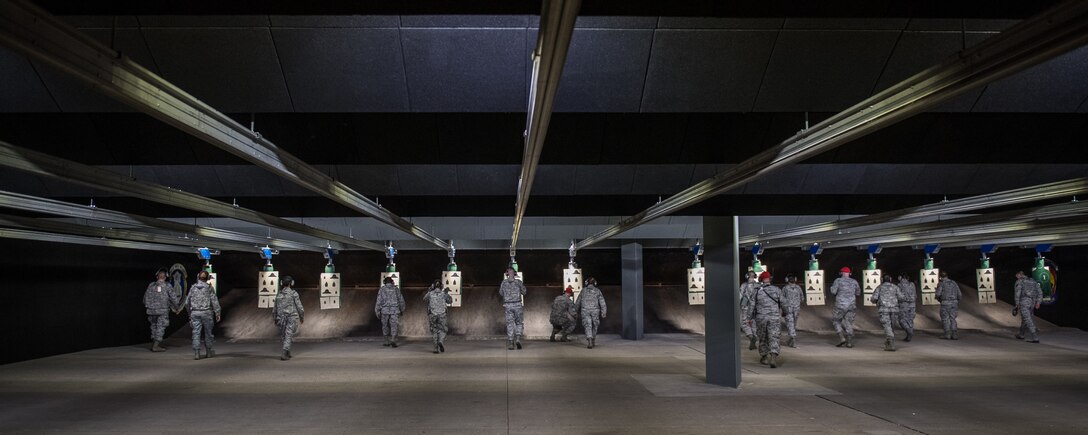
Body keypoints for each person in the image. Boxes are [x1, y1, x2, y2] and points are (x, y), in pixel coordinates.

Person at [181, 269, 221, 360]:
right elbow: (214, 301)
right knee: (208, 333)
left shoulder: (193, 287)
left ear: (198, 277)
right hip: (207, 313)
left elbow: (187, 303)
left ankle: (197, 353)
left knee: (196, 333)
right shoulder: (209, 288)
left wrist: (190, 313)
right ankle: (208, 352)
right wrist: (217, 312)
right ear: (207, 278)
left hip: (195, 312)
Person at [750, 271, 785, 368]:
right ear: (770, 279)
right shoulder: (777, 290)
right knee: (774, 336)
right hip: (774, 317)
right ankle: (773, 356)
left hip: (761, 318)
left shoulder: (757, 290)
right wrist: (785, 312)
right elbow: (784, 303)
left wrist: (749, 317)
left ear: (761, 280)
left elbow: (752, 306)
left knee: (763, 337)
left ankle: (764, 357)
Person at [143, 268, 181, 352]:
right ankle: (156, 346)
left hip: (151, 311)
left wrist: (148, 306)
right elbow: (173, 298)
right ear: (165, 277)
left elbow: (145, 298)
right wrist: (177, 307)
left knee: (153, 326)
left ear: (157, 276)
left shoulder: (151, 285)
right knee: (160, 327)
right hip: (162, 311)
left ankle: (154, 344)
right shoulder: (167, 286)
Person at [273, 275, 304, 360]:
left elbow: (274, 308)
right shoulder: (294, 293)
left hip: (281, 317)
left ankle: (287, 352)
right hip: (291, 317)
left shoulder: (278, 294)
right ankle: (284, 352)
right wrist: (301, 316)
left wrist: (275, 318)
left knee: (284, 335)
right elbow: (299, 307)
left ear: (282, 283)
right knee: (289, 334)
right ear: (292, 283)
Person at [829, 266, 861, 348]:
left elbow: (833, 292)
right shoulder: (854, 282)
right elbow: (858, 293)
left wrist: (831, 288)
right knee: (848, 322)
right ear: (850, 273)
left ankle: (842, 338)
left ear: (841, 273)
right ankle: (849, 342)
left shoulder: (838, 281)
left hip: (840, 305)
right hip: (851, 306)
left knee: (836, 320)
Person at [870, 274, 901, 351]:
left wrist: (876, 302)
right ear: (890, 279)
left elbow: (874, 298)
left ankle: (890, 342)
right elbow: (901, 297)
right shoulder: (895, 287)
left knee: (887, 325)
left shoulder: (879, 287)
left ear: (882, 279)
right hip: (894, 309)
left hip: (884, 309)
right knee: (892, 326)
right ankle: (890, 342)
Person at [499, 267, 527, 350]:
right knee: (519, 323)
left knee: (510, 324)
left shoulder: (504, 282)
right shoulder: (518, 282)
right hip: (517, 305)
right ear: (514, 273)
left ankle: (511, 342)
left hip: (508, 306)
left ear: (507, 274)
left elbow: (501, 293)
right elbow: (524, 292)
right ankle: (518, 339)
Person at [574, 278, 607, 349]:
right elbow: (602, 302)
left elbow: (578, 301)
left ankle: (589, 340)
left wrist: (575, 311)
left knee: (587, 325)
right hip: (595, 311)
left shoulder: (583, 291)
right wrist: (603, 312)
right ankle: (593, 339)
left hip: (585, 310)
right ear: (595, 283)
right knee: (595, 325)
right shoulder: (597, 291)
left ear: (586, 283)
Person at [423, 279, 453, 353]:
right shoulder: (443, 294)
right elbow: (450, 301)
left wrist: (429, 291)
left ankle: (435, 349)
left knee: (434, 331)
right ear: (442, 286)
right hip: (442, 315)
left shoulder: (430, 294)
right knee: (443, 330)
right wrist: (446, 293)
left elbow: (424, 299)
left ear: (433, 286)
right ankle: (441, 341)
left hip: (432, 315)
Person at [375, 276, 405, 348]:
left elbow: (378, 301)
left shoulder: (382, 290)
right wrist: (402, 309)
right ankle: (393, 340)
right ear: (392, 282)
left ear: (384, 282)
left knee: (385, 326)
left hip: (384, 310)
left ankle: (386, 341)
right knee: (394, 325)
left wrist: (377, 311)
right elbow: (401, 300)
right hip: (395, 310)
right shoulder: (396, 289)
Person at [1013, 271, 1043, 343]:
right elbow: (1040, 292)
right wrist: (1038, 302)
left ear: (1019, 275)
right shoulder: (1033, 281)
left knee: (1027, 319)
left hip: (1024, 302)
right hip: (1032, 303)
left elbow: (1017, 293)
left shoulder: (1020, 281)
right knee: (1025, 319)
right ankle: (1021, 334)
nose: (1016, 278)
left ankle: (1035, 337)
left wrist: (1017, 304)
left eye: (1017, 276)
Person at [935, 271, 962, 340]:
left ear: (940, 277)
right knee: (952, 318)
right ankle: (954, 334)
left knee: (945, 319)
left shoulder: (941, 284)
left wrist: (939, 299)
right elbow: (959, 295)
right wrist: (955, 301)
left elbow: (938, 294)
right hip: (954, 303)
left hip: (945, 303)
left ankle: (947, 334)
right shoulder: (954, 283)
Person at [781, 274, 803, 348]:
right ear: (795, 280)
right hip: (796, 309)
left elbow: (782, 299)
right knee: (793, 325)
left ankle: (793, 340)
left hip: (788, 309)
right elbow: (802, 299)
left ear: (787, 280)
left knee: (790, 325)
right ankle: (790, 340)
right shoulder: (798, 288)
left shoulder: (785, 288)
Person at [739, 271, 759, 350]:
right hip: (756, 308)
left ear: (747, 276)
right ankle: (754, 337)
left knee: (744, 323)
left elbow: (740, 296)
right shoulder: (758, 286)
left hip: (746, 307)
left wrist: (740, 305)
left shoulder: (744, 285)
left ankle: (751, 337)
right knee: (754, 323)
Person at [896, 274, 917, 342]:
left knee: (902, 320)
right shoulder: (912, 284)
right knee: (910, 320)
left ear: (901, 277)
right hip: (912, 305)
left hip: (903, 304)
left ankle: (909, 331)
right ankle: (909, 336)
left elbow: (898, 296)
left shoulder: (899, 285)